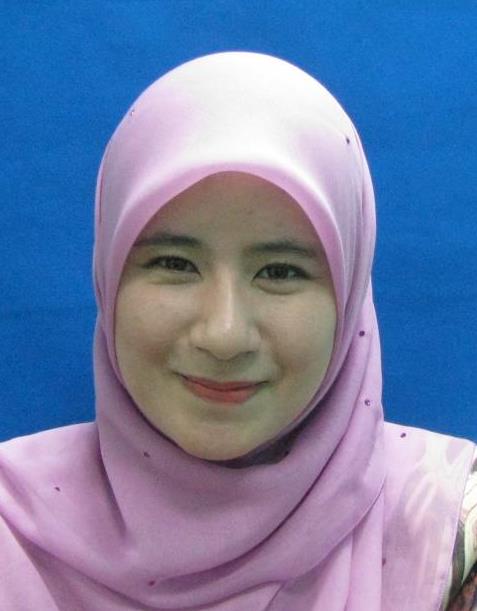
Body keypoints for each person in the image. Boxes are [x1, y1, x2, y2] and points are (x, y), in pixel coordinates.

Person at [0, 51, 475, 611]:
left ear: (349, 296)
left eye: (280, 272)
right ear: (109, 275)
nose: (223, 336)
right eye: (175, 264)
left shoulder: (451, 529)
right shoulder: (11, 531)